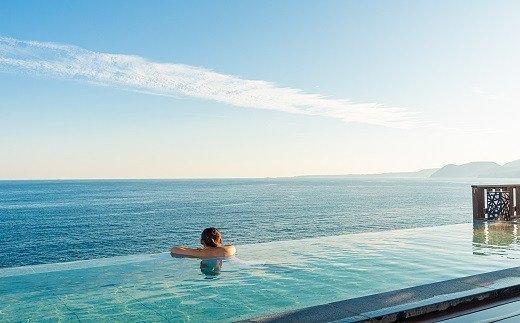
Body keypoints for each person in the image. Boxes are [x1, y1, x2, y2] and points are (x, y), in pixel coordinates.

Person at [170, 227, 236, 259]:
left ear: (201, 241)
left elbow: (174, 249)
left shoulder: (198, 253)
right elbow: (231, 246)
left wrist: (193, 250)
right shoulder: (227, 250)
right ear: (220, 241)